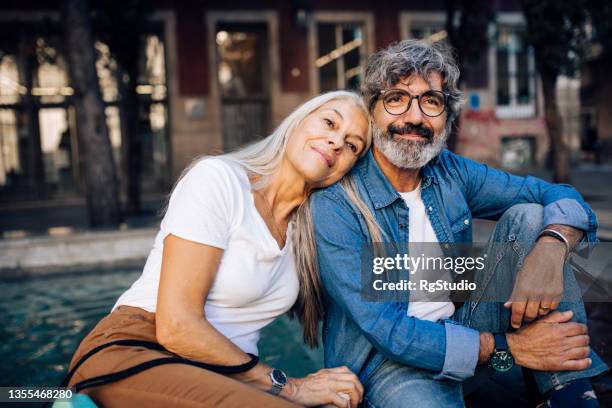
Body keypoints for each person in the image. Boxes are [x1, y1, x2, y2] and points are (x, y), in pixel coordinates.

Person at [309, 40, 609, 408]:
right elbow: (388, 330)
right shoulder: (337, 202)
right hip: (387, 366)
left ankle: (568, 392)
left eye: (431, 101)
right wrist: (511, 349)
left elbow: (558, 196)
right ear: (372, 112)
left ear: (447, 120)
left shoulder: (449, 170)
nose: (415, 117)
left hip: (466, 328)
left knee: (531, 216)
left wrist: (551, 247)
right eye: (397, 98)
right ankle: (535, 369)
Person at [66, 90, 370, 408]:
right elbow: (177, 327)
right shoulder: (219, 180)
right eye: (329, 122)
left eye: (352, 145)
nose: (336, 141)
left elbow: (382, 278)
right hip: (139, 350)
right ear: (296, 122)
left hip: (223, 378)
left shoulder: (309, 231)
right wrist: (290, 388)